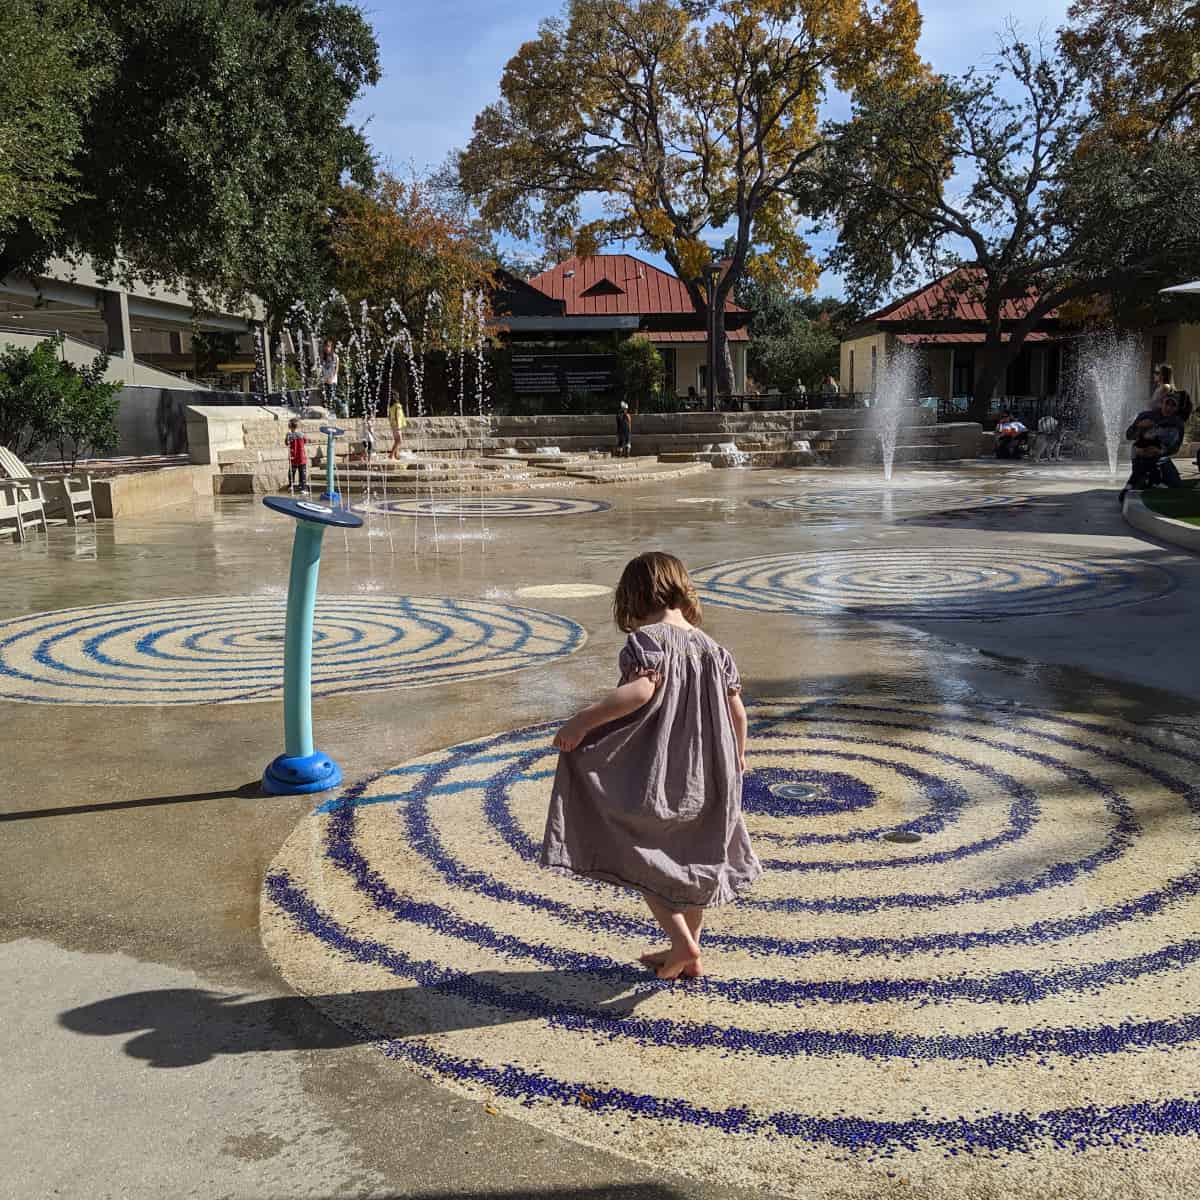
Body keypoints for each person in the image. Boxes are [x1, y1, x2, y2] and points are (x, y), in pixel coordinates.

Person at [541, 551, 761, 981]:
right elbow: (738, 713)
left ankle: (681, 942)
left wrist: (581, 723)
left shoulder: (648, 642)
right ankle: (689, 955)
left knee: (639, 851)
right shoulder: (716, 650)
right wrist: (737, 757)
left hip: (663, 773)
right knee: (696, 859)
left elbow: (640, 693)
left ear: (634, 598)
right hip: (712, 775)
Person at [1120, 390, 1188, 500]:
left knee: (1176, 485)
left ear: (1177, 408)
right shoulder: (1145, 415)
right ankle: (1135, 484)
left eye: (1173, 405)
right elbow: (1129, 436)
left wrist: (1160, 451)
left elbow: (1175, 447)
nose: (1169, 408)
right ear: (1161, 403)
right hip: (1140, 454)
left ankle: (1150, 481)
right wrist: (1139, 426)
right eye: (1167, 403)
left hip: (1160, 457)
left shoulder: (1178, 423)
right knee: (1139, 482)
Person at [285, 419, 308, 491]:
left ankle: (291, 486)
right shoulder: (302, 434)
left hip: (293, 457)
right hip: (301, 457)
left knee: (292, 472)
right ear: (298, 426)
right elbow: (305, 441)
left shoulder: (289, 435)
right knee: (302, 472)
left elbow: (286, 443)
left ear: (290, 426)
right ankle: (302, 487)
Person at [320, 340, 339, 413]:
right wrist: (322, 377)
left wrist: (332, 378)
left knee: (331, 397)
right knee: (324, 398)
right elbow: (321, 368)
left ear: (331, 347)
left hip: (332, 380)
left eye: (328, 346)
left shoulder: (335, 356)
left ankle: (332, 412)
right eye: (326, 346)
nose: (327, 348)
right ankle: (325, 412)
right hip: (325, 380)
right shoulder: (322, 357)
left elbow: (336, 369)